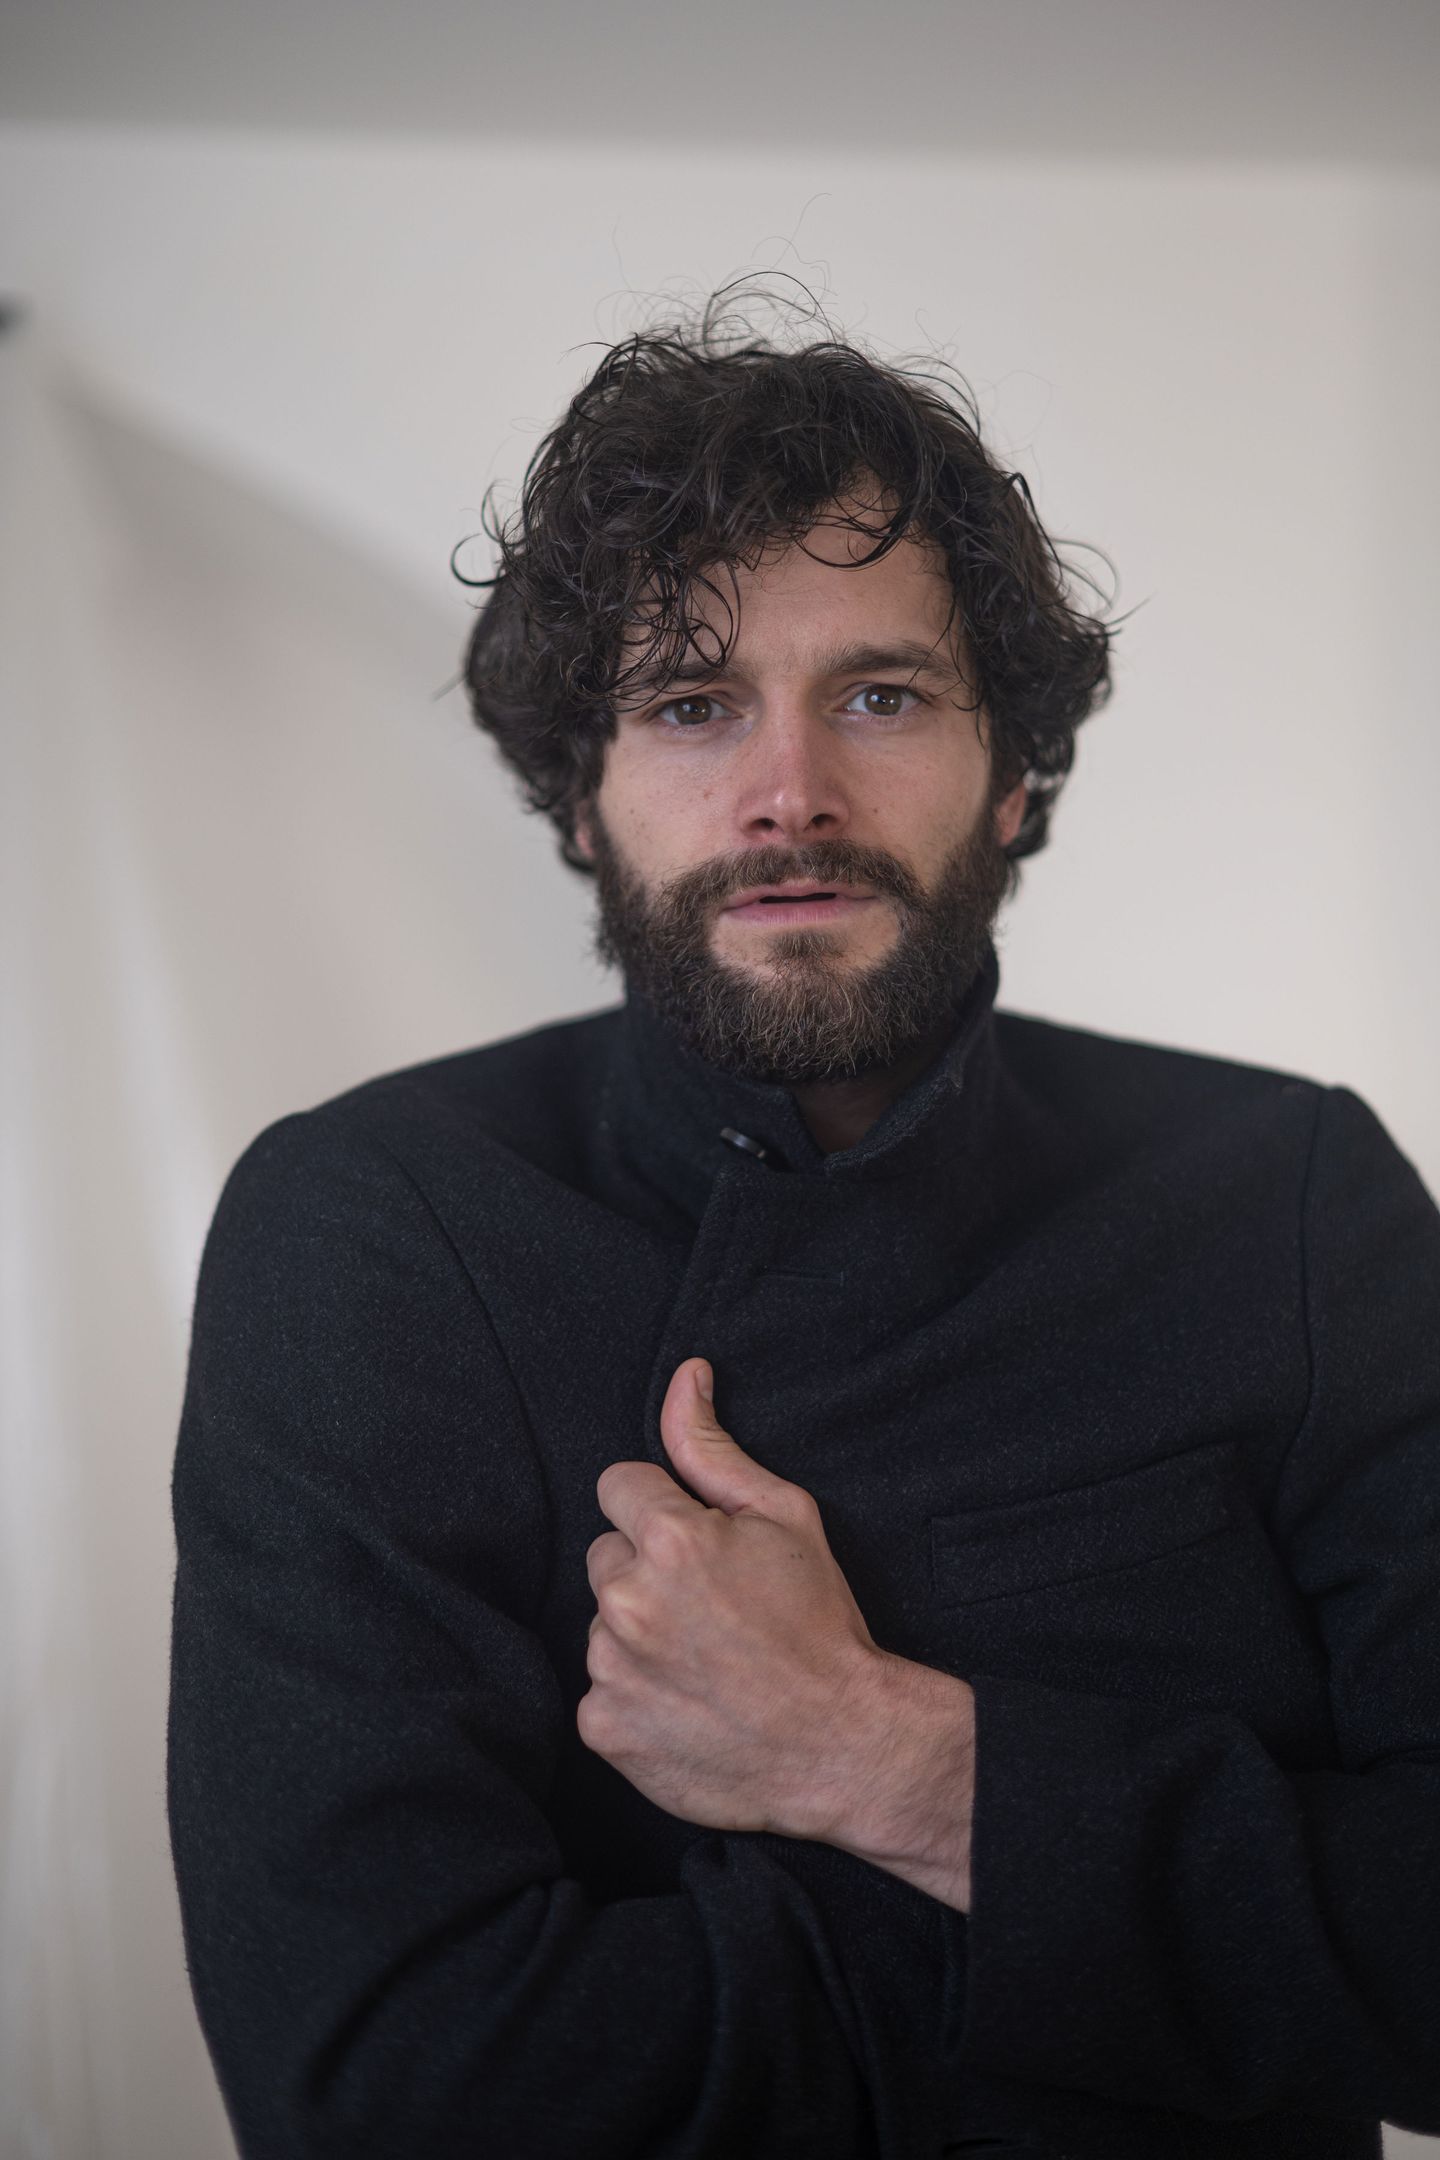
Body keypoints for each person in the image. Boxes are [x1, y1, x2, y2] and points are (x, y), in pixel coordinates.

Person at [166, 286, 1440, 2160]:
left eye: (882, 695)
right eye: (692, 705)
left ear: (1012, 779)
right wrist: (1166, 1965)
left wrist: (881, 1757)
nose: (790, 796)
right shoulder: (372, 1227)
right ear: (581, 803)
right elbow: (385, 2089)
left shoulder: (1292, 1194)